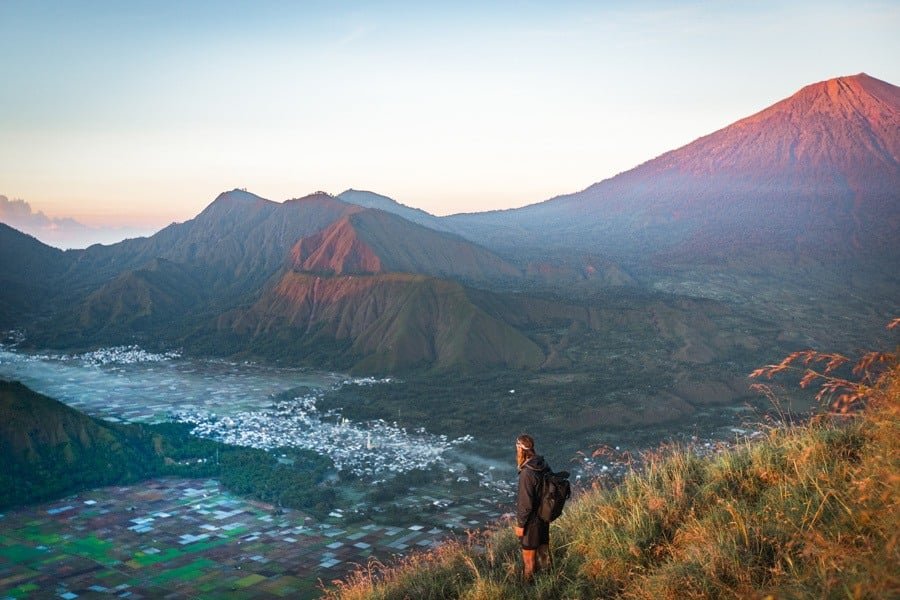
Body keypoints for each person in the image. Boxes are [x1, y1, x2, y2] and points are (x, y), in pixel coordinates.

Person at [515, 433, 551, 581]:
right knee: (544, 555)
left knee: (529, 561)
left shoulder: (527, 472)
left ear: (520, 449)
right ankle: (549, 583)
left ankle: (528, 591)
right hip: (544, 517)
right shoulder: (543, 464)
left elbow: (526, 503)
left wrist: (520, 525)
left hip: (531, 522)